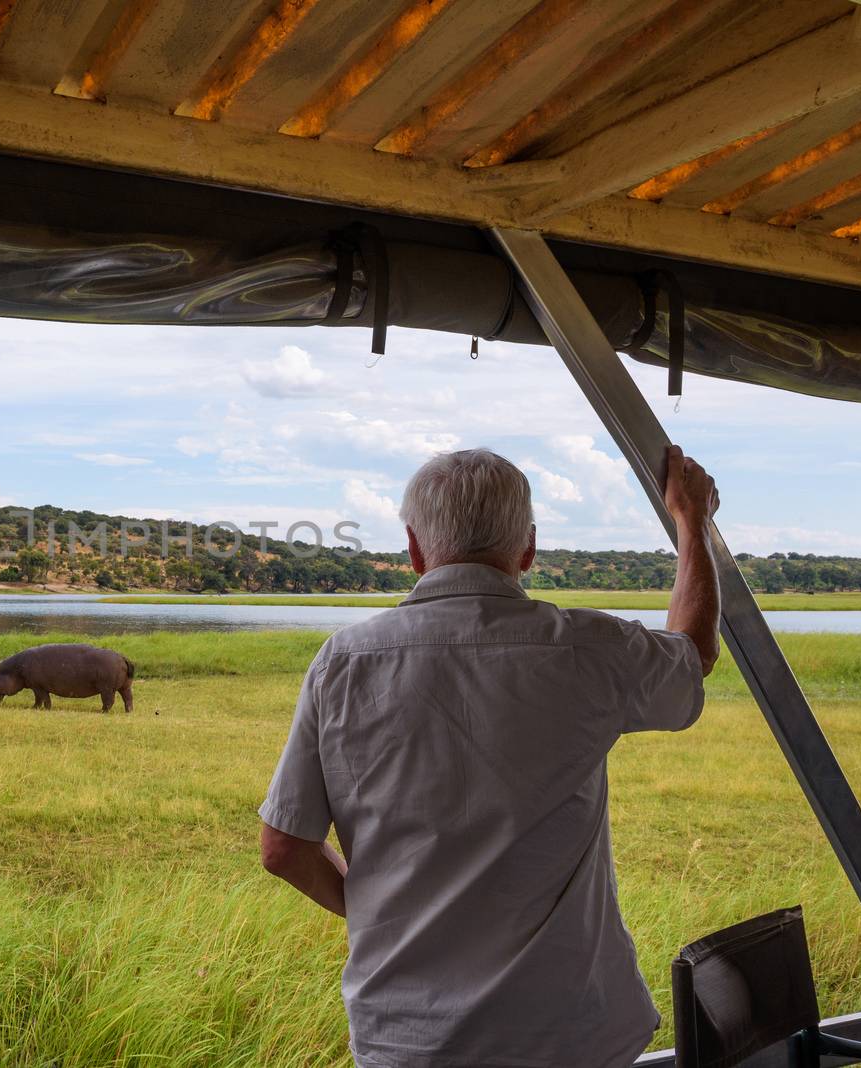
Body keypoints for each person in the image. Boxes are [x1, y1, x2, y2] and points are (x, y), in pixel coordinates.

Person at [258, 445, 719, 1068]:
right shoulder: (588, 647)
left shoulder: (342, 662)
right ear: (528, 549)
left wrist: (370, 909)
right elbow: (692, 653)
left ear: (415, 551)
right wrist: (693, 524)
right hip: (571, 1032)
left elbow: (284, 848)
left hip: (408, 1035)